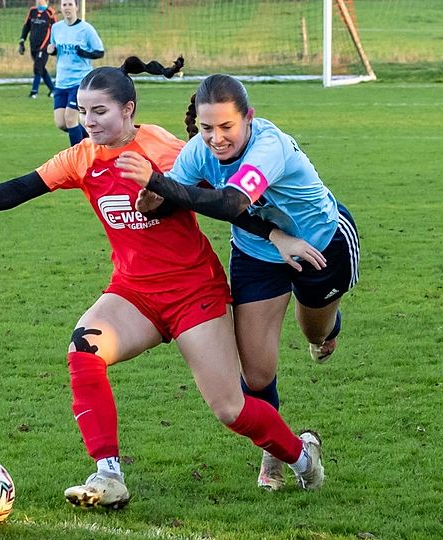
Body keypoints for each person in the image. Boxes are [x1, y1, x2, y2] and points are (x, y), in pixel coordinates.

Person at [0, 58, 326, 509]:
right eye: (82, 111)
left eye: (100, 111)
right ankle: (108, 473)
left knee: (230, 408)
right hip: (134, 293)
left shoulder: (164, 150)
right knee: (83, 349)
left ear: (128, 109)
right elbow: (25, 186)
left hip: (195, 293)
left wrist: (275, 233)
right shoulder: (82, 157)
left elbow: (227, 202)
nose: (88, 121)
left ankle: (302, 457)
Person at [117, 74, 360, 491]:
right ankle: (277, 451)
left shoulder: (269, 146)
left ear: (248, 118)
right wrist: (153, 202)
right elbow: (173, 200)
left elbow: (231, 202)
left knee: (314, 332)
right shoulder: (198, 151)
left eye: (227, 127)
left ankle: (328, 329)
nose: (216, 138)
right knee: (258, 374)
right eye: (208, 127)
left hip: (322, 242)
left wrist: (157, 183)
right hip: (257, 253)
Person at [46, 0, 103, 146]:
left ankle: (78, 158)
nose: (67, 8)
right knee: (61, 122)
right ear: (61, 7)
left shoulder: (86, 29)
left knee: (71, 118)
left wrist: (84, 53)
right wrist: (52, 51)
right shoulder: (56, 28)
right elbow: (55, 49)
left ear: (76, 7)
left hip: (80, 81)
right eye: (64, 5)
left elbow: (99, 52)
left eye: (70, 4)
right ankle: (90, 142)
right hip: (61, 81)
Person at [18, 0, 56, 99]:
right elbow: (26, 26)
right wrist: (22, 40)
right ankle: (53, 89)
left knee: (38, 67)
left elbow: (54, 30)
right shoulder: (32, 11)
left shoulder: (50, 12)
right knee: (41, 68)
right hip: (33, 45)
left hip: (44, 46)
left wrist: (48, 45)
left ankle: (34, 92)